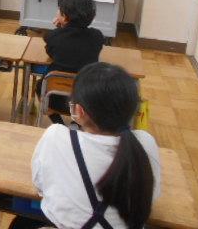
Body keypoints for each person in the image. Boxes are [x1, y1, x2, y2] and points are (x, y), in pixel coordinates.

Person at [12, 63, 161, 229]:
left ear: (79, 111)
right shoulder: (145, 143)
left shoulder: (55, 136)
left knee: (21, 222)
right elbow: (151, 197)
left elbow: (40, 185)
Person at [37, 0, 104, 124]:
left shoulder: (54, 37)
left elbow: (51, 51)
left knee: (40, 86)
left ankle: (58, 123)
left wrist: (59, 28)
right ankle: (76, 124)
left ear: (64, 16)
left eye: (59, 10)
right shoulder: (97, 36)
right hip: (85, 99)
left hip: (54, 96)